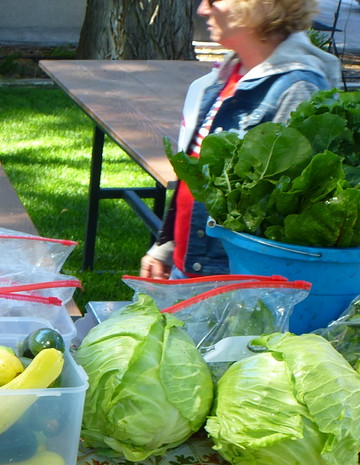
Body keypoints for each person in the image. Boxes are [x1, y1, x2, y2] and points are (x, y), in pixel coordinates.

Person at [139, 0, 341, 280]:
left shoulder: (297, 90)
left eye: (213, 0)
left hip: (234, 281)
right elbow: (197, 178)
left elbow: (286, 212)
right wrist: (167, 246)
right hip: (191, 267)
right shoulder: (229, 75)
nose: (202, 9)